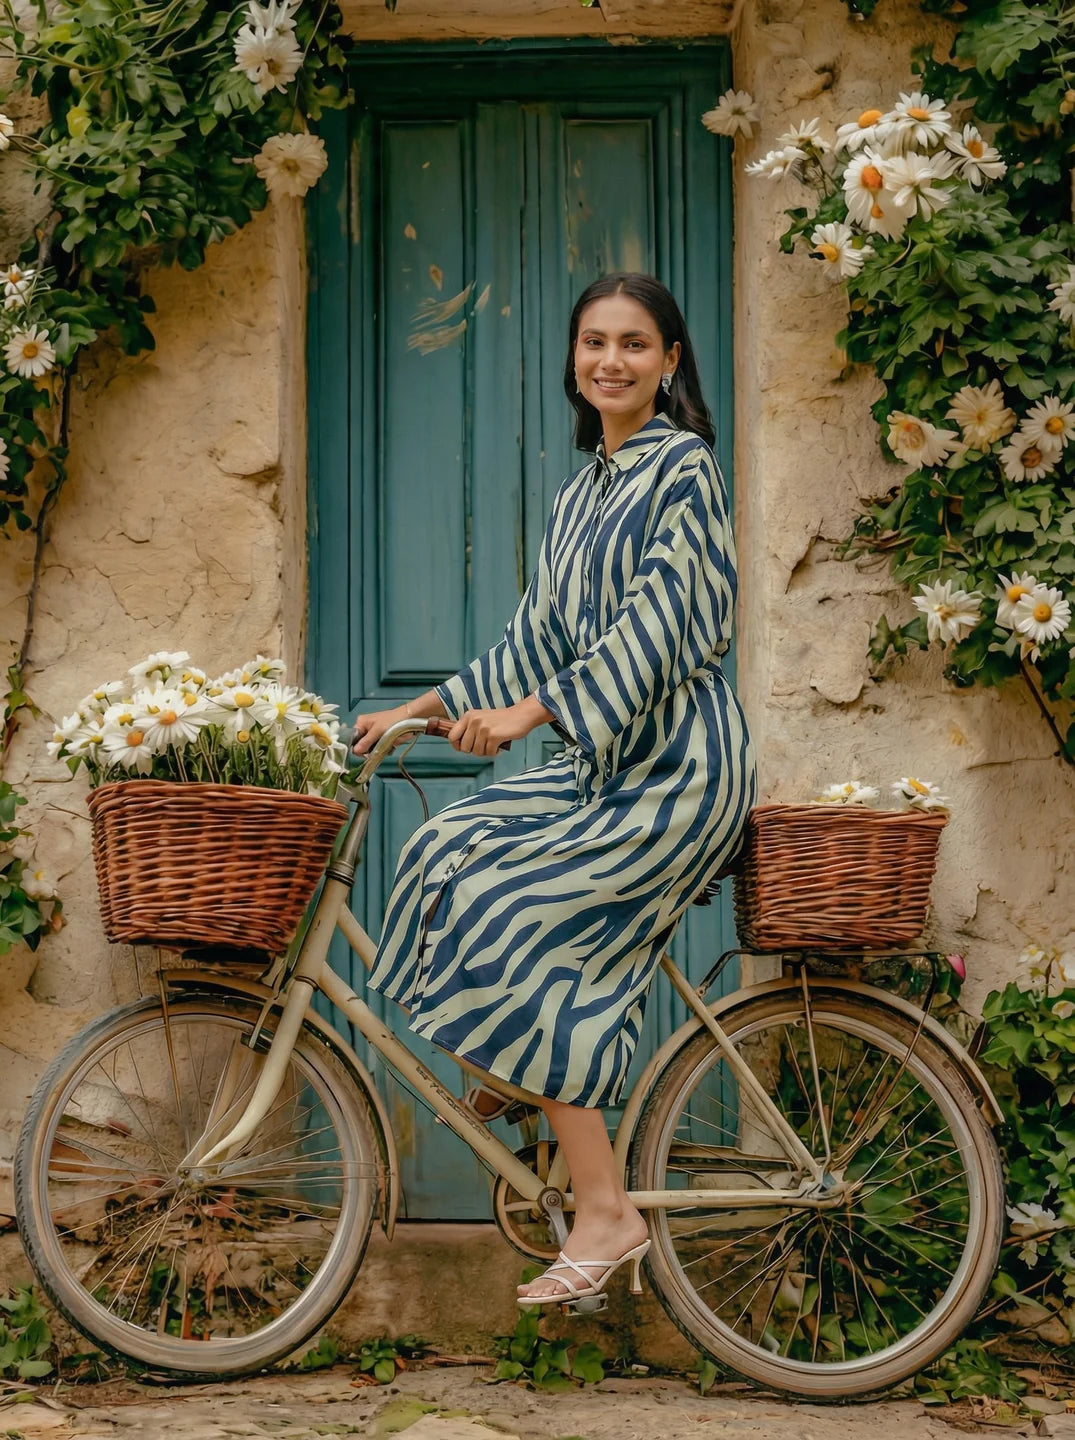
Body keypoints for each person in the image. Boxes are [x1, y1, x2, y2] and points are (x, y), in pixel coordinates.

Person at [352, 272, 756, 1306]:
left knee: (517, 914)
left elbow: (663, 625)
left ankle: (607, 1210)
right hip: (597, 765)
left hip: (675, 771)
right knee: (442, 847)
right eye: (592, 343)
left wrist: (537, 715)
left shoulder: (685, 470)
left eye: (632, 344)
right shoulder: (583, 492)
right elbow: (528, 639)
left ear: (670, 362)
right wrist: (418, 709)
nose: (609, 361)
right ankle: (518, 1055)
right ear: (573, 360)